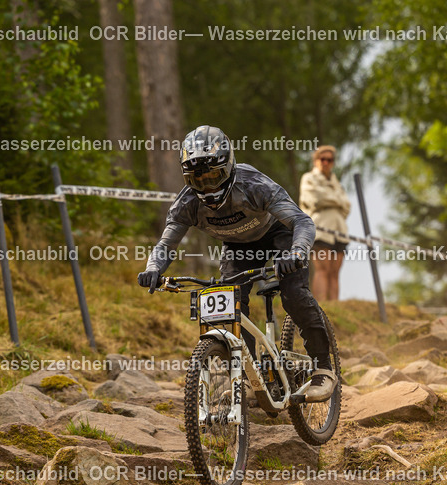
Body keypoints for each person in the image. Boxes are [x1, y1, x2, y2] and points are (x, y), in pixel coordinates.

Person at [138, 125, 336, 402]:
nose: (207, 186)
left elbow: (301, 220)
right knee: (230, 307)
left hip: (279, 235)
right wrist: (153, 270)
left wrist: (298, 252)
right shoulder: (186, 204)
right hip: (238, 248)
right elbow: (165, 245)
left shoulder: (253, 185)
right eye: (198, 180)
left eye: (214, 176)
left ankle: (323, 368)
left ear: (229, 166)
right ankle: (251, 377)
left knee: (293, 295)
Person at [299, 145, 351, 301]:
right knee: (323, 269)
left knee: (335, 272)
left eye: (330, 159)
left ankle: (335, 308)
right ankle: (321, 307)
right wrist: (337, 201)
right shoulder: (309, 178)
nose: (326, 162)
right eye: (323, 159)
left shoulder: (336, 182)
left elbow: (347, 206)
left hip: (339, 231)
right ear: (316, 161)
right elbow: (315, 199)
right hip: (320, 229)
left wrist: (330, 200)